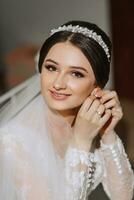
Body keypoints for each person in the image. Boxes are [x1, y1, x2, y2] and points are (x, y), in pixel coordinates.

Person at [0, 20, 134, 200]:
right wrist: (80, 142)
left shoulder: (91, 122)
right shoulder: (12, 141)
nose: (58, 83)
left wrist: (108, 134)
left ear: (97, 86)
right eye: (51, 68)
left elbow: (123, 196)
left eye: (76, 73)